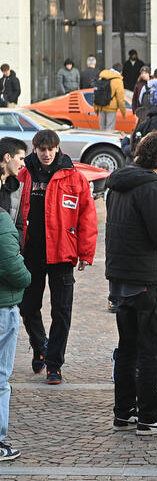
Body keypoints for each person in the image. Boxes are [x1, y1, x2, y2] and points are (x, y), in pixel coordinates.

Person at [105, 131, 157, 435]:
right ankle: (150, 417)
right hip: (148, 277)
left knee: (127, 349)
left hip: (120, 274)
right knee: (149, 349)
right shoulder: (153, 185)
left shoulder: (119, 184)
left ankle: (124, 413)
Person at [18, 130, 97, 383]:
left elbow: (87, 215)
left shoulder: (74, 177)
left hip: (62, 253)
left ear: (58, 148)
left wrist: (86, 252)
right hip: (30, 253)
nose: (46, 153)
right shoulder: (23, 174)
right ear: (35, 149)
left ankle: (54, 363)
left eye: (50, 149)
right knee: (28, 306)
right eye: (42, 149)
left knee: (61, 311)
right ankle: (40, 345)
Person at [0, 137, 30, 461]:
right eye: (20, 158)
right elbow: (8, 259)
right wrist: (25, 278)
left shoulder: (14, 185)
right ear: (6, 157)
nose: (23, 163)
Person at [94, 65, 126, 131]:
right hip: (111, 108)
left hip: (100, 106)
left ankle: (101, 141)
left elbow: (96, 93)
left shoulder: (102, 77)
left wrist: (95, 108)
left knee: (102, 129)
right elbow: (120, 99)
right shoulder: (118, 81)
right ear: (120, 72)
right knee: (110, 130)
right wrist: (123, 112)